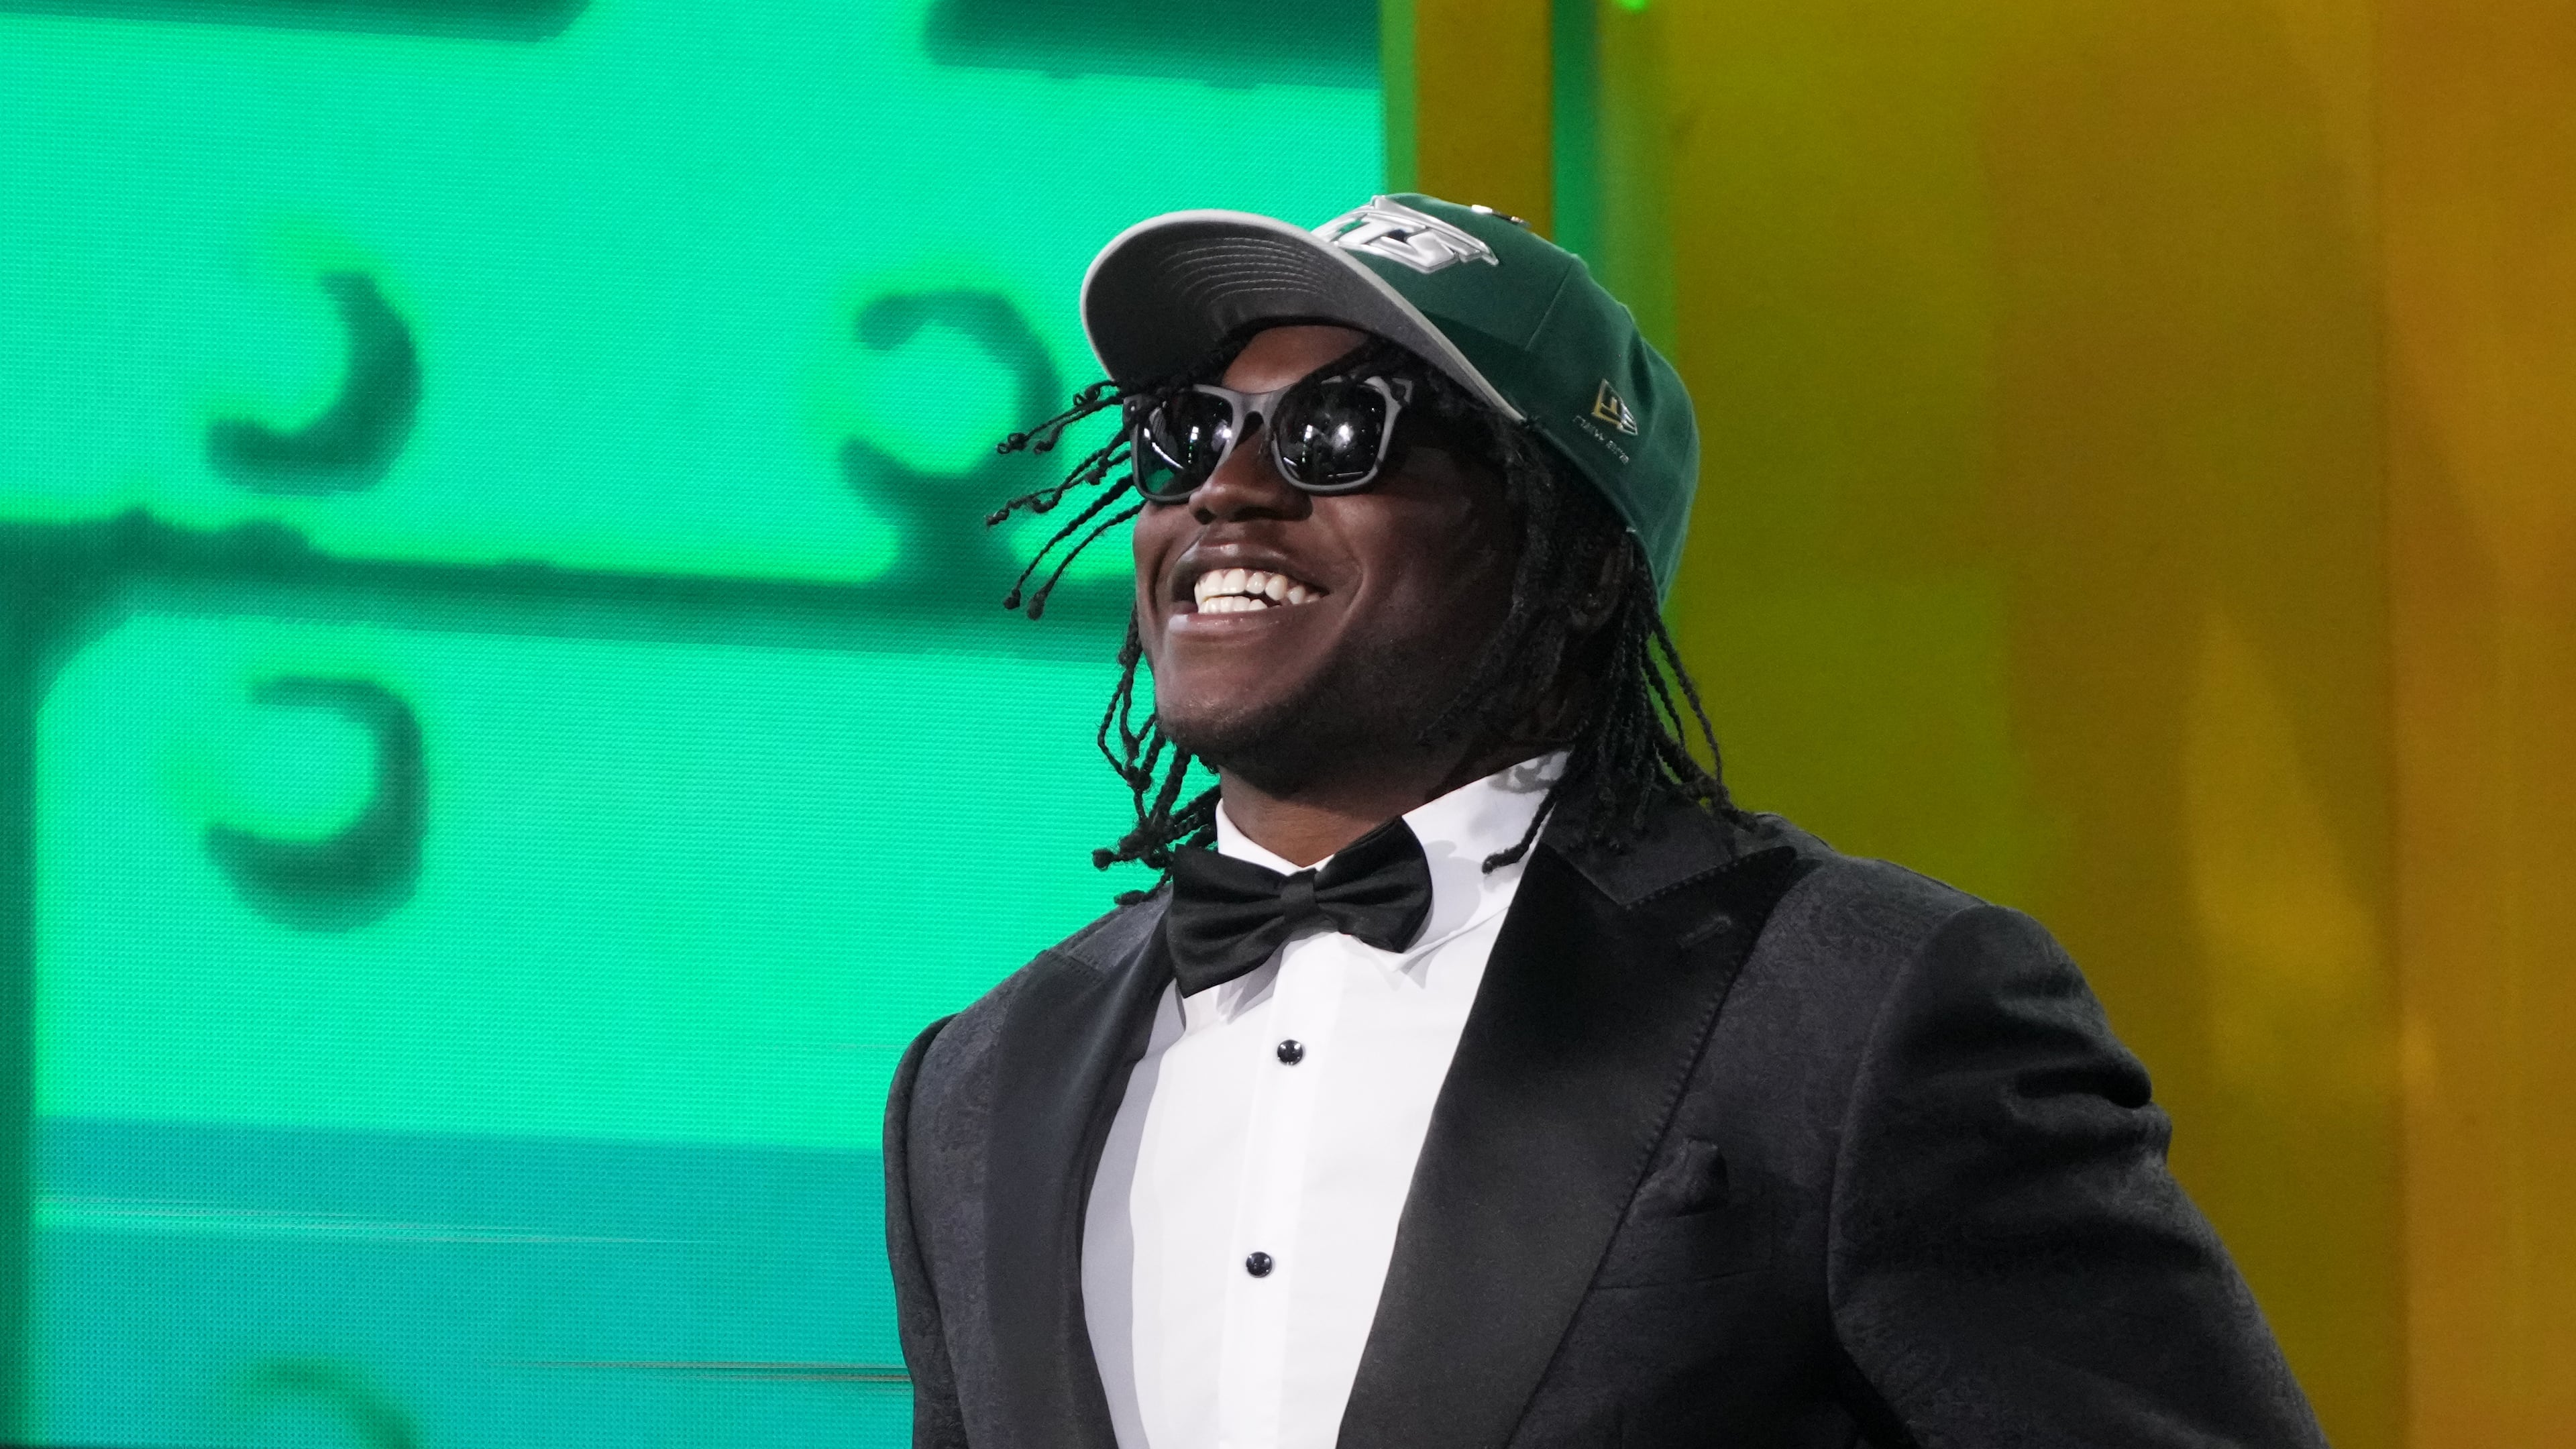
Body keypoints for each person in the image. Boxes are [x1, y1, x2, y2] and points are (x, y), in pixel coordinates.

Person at [883, 194, 2326, 1448]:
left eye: (1340, 432)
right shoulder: (981, 1079)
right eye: (1187, 434)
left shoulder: (1864, 1009)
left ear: (1571, 565)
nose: (1230, 492)